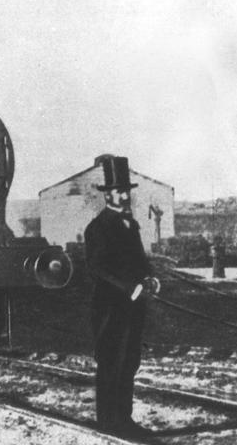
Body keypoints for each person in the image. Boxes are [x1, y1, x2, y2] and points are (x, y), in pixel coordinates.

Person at [84, 156, 161, 437]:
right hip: (109, 308)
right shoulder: (98, 228)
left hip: (133, 306)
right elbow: (97, 268)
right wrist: (129, 288)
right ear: (107, 194)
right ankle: (107, 422)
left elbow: (139, 260)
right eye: (119, 191)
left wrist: (149, 277)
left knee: (129, 361)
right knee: (110, 361)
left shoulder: (131, 225)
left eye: (127, 190)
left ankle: (124, 420)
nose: (125, 195)